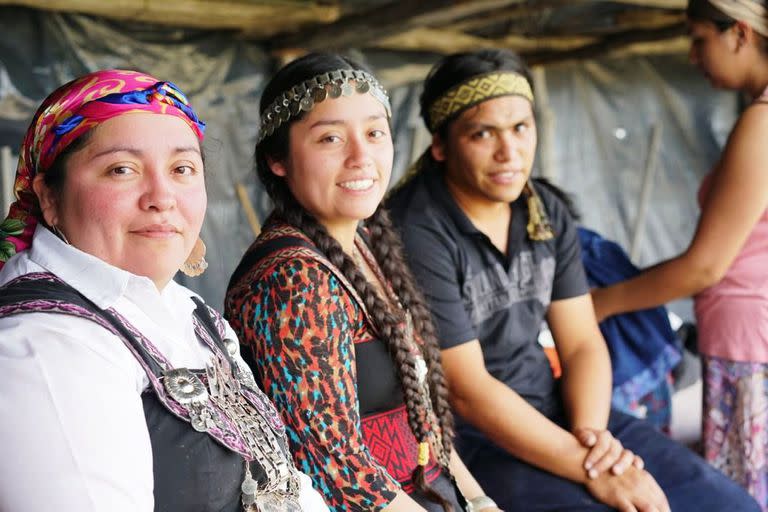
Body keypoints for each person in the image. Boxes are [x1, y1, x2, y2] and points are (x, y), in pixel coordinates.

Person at [387, 48, 759, 511]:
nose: (510, 151)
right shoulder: (417, 230)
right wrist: (592, 468)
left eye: (521, 128)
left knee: (729, 506)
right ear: (441, 145)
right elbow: (467, 391)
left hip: (563, 416)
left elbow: (581, 340)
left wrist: (592, 435)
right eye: (483, 133)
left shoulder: (543, 210)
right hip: (471, 441)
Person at [0, 69, 328, 512]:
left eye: (182, 169)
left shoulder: (188, 312)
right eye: (122, 169)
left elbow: (285, 483)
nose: (162, 196)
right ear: (49, 198)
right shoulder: (46, 345)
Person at [225, 53, 501, 512]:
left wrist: (479, 499)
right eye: (331, 138)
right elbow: (336, 471)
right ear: (278, 159)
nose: (361, 157)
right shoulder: (293, 279)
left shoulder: (365, 246)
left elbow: (423, 421)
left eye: (374, 133)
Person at [590, 0, 768, 507]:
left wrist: (599, 304)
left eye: (698, 38)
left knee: (741, 494)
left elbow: (705, 265)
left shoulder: (761, 125)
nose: (693, 56)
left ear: (739, 33)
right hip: (751, 329)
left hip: (747, 339)